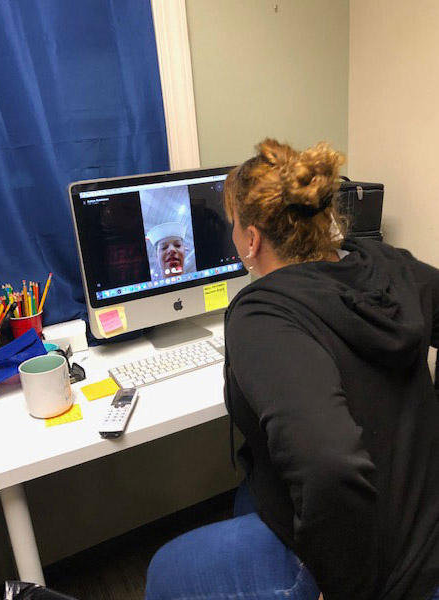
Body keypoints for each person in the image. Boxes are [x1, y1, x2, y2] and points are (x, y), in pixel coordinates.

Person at [145, 139, 439, 600]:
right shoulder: (387, 263)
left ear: (252, 238)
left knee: (166, 570)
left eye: (233, 224)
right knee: (253, 489)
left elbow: (330, 463)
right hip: (421, 513)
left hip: (383, 567)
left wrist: (341, 587)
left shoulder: (264, 316)